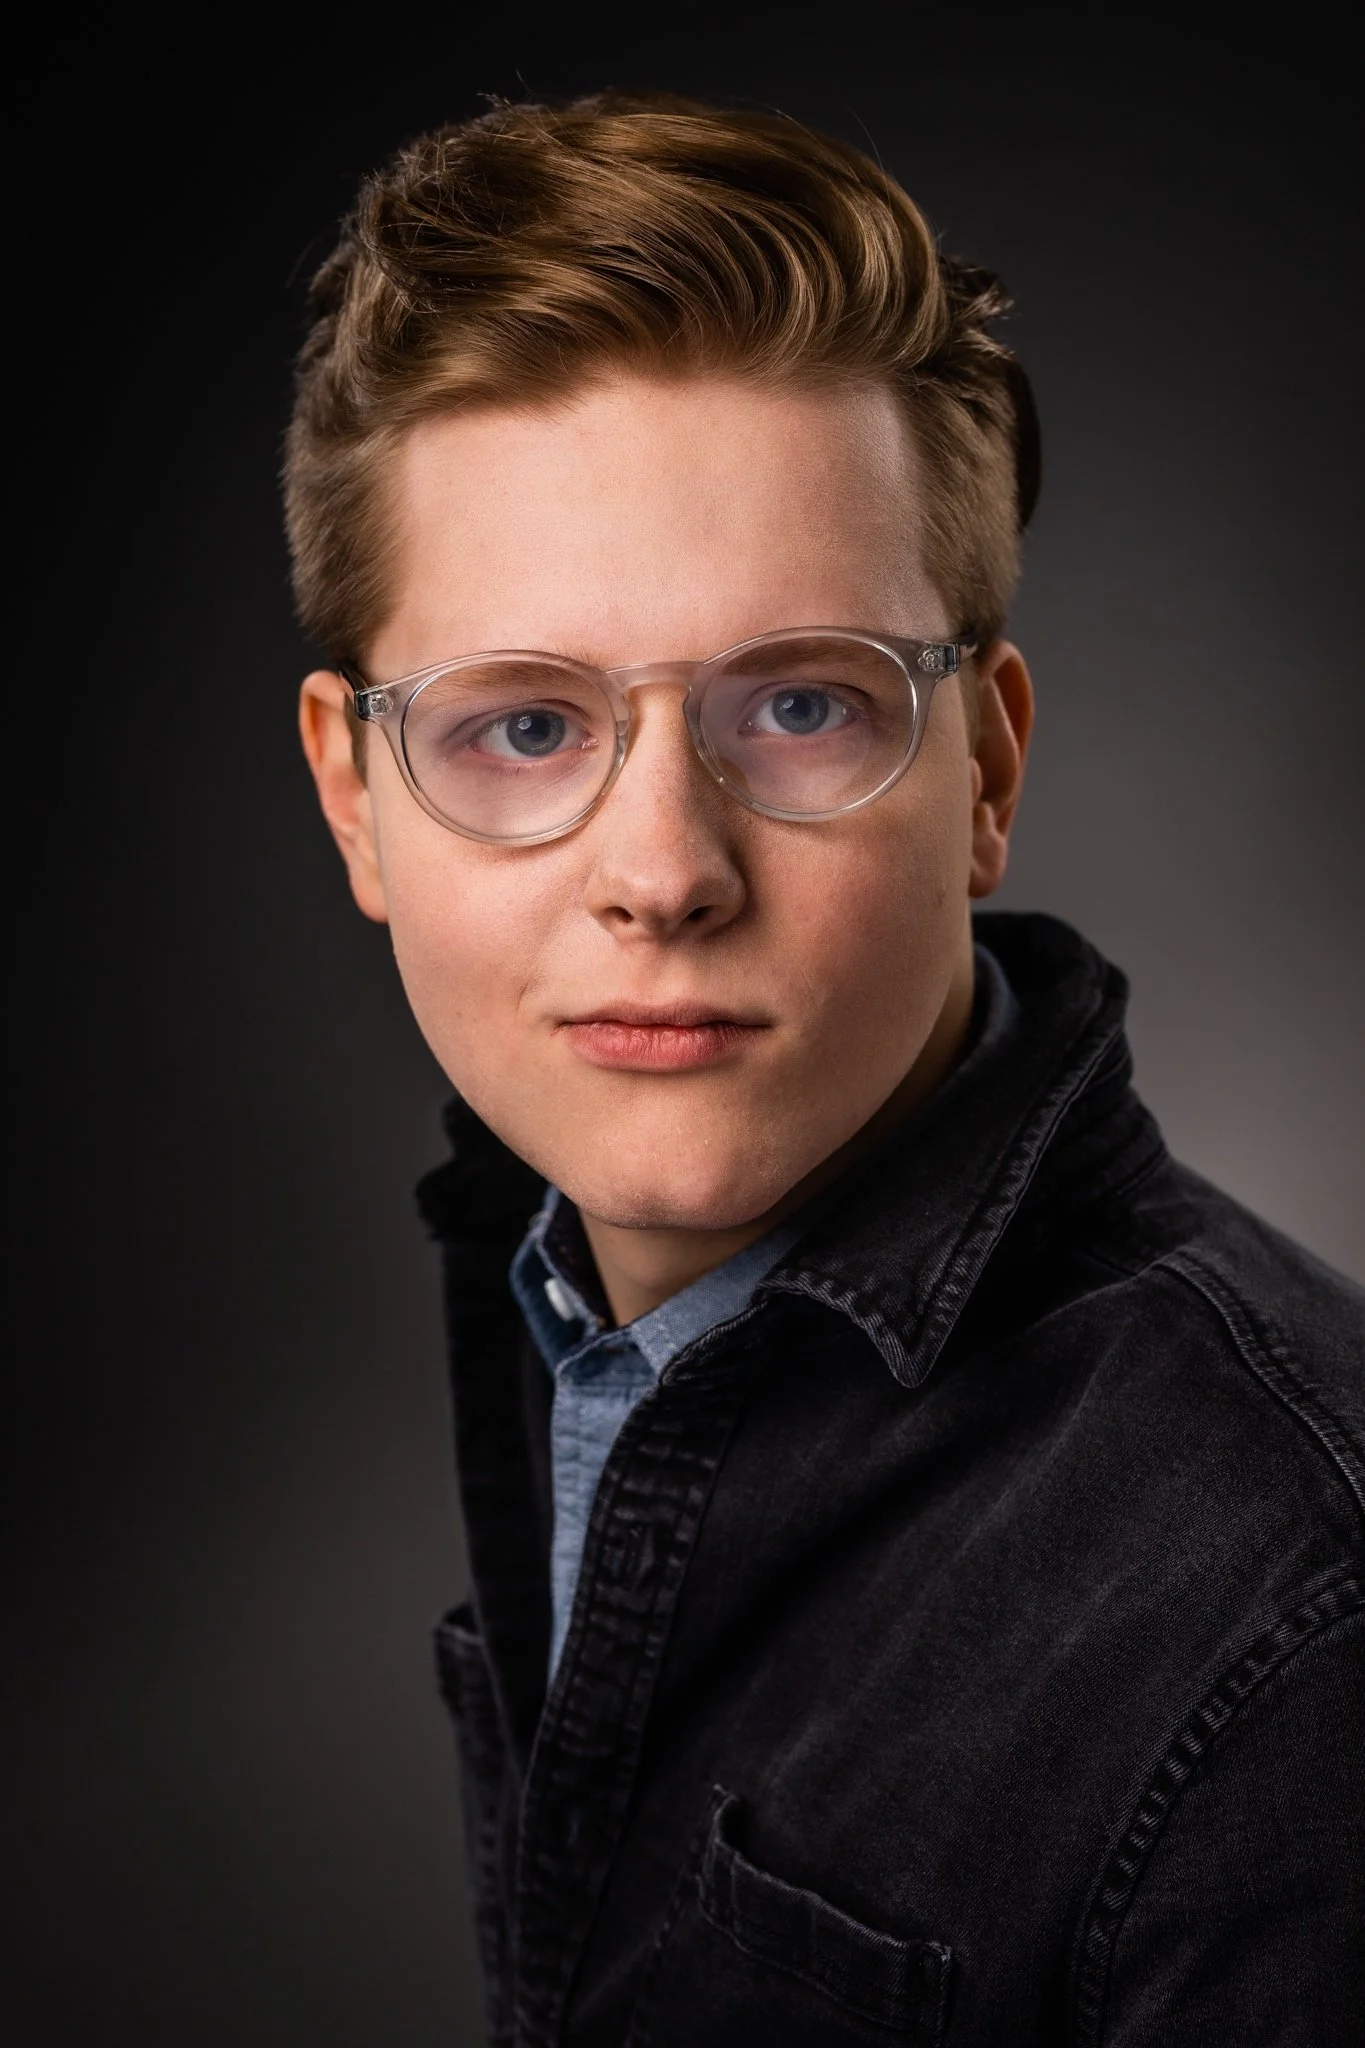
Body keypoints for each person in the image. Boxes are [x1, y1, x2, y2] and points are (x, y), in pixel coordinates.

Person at [289, 92, 1364, 2047]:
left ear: (989, 772)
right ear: (354, 798)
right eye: (523, 725)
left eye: (800, 705)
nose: (665, 872)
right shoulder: (576, 1311)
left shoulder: (1299, 1645)